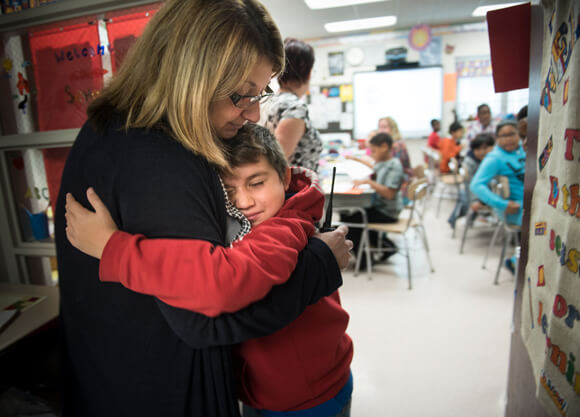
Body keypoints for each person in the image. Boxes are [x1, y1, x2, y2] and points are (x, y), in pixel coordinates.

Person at [54, 1, 351, 416]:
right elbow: (206, 312)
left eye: (260, 94)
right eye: (241, 95)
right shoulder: (157, 157)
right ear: (191, 75)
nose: (252, 114)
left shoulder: (108, 129)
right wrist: (319, 263)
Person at [65, 124, 354, 417]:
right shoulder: (246, 221)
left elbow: (230, 279)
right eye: (229, 190)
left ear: (285, 176)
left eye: (256, 183)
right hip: (265, 392)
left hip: (308, 397)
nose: (244, 202)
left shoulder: (285, 226)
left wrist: (112, 248)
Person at [470, 120, 525, 274]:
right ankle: (517, 261)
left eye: (512, 134)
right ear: (497, 138)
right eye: (504, 136)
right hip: (515, 210)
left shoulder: (524, 150)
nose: (509, 139)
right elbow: (476, 185)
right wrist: (502, 204)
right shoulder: (494, 158)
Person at [340, 132, 403, 267]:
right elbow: (373, 167)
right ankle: (387, 246)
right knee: (350, 214)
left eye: (374, 151)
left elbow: (389, 194)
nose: (372, 154)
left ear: (384, 147)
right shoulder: (385, 162)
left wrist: (369, 182)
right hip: (381, 207)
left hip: (388, 212)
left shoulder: (394, 166)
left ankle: (364, 261)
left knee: (350, 219)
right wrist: (355, 160)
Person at [261, 38, 323, 172]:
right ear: (309, 72)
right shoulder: (294, 108)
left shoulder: (270, 100)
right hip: (297, 190)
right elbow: (277, 162)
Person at [447, 133, 495, 228]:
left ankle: (456, 218)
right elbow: (471, 185)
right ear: (473, 150)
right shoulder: (470, 163)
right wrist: (474, 200)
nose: (482, 152)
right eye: (478, 149)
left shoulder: (490, 160)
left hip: (480, 191)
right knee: (463, 195)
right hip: (479, 194)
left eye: (485, 148)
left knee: (462, 195)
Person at [377, 116, 412, 203]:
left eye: (384, 127)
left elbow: (392, 171)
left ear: (392, 129)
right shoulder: (391, 144)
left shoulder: (396, 146)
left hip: (400, 190)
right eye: (379, 127)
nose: (381, 131)